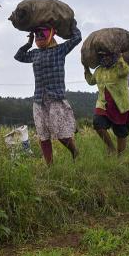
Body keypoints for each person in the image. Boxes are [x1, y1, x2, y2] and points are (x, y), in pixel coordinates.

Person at [14, 25, 82, 165]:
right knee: (43, 135)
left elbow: (77, 38)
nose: (39, 37)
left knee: (61, 133)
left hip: (55, 98)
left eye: (41, 34)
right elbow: (19, 56)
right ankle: (50, 166)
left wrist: (71, 23)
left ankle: (74, 151)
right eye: (37, 35)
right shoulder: (35, 53)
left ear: (50, 35)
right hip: (39, 99)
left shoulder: (60, 50)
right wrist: (28, 43)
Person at [84, 53, 129, 155]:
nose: (105, 58)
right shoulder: (99, 70)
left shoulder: (120, 67)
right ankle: (111, 148)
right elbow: (90, 81)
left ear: (113, 56)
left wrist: (120, 57)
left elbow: (125, 71)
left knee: (121, 132)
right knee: (97, 122)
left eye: (108, 55)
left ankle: (121, 157)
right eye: (102, 56)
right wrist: (86, 68)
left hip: (120, 105)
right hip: (103, 104)